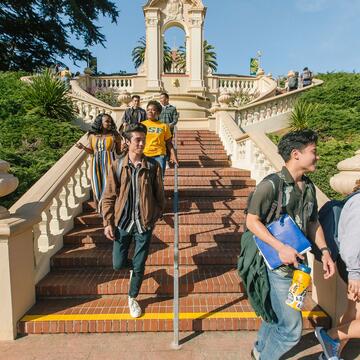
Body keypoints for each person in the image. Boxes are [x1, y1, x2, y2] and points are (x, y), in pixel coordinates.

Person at [246, 130, 336, 360]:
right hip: (277, 265)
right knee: (291, 331)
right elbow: (251, 221)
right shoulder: (270, 185)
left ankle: (259, 350)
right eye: (313, 152)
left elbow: (313, 221)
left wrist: (324, 251)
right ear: (296, 154)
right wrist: (280, 247)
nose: (317, 157)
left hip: (298, 265)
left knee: (278, 318)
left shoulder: (308, 186)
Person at [102, 123, 165, 318]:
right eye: (137, 140)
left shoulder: (153, 166)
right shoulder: (117, 165)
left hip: (143, 224)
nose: (141, 143)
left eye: (143, 140)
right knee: (118, 263)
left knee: (139, 263)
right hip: (123, 222)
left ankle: (132, 297)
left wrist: (154, 216)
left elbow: (159, 195)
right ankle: (136, 269)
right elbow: (109, 195)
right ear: (127, 142)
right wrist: (108, 222)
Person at [315, 180, 360, 360]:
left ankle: (330, 354)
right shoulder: (359, 203)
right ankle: (331, 336)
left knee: (353, 314)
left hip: (355, 269)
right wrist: (355, 274)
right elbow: (351, 244)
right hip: (356, 269)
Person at [76, 113, 122, 212]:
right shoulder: (92, 135)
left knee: (109, 186)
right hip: (95, 164)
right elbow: (93, 151)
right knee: (96, 186)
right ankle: (99, 209)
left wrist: (125, 149)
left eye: (110, 121)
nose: (109, 123)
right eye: (107, 121)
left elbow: (118, 152)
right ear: (100, 122)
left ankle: (110, 208)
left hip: (110, 164)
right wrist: (83, 148)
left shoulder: (115, 135)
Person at [142, 100, 179, 176]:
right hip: (144, 155)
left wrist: (173, 155)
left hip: (159, 156)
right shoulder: (142, 125)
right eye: (148, 110)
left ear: (158, 113)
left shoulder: (164, 126)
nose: (150, 111)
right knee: (145, 179)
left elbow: (169, 143)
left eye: (153, 110)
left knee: (159, 180)